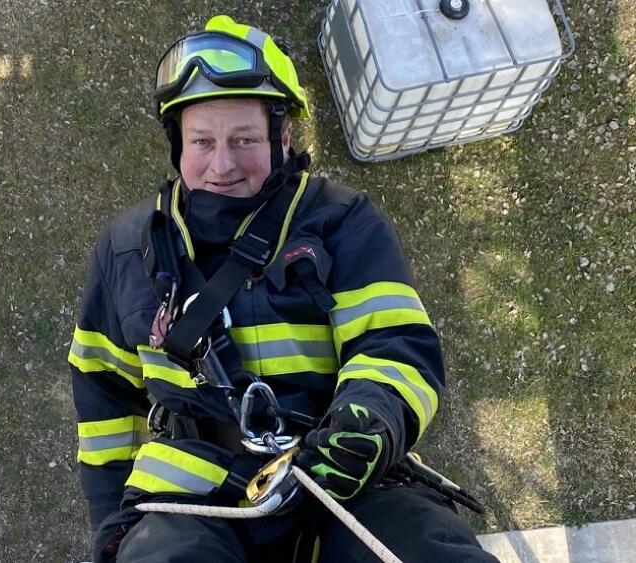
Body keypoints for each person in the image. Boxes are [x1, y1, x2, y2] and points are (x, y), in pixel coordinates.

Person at [68, 14, 498, 563]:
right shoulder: (127, 248)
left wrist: (369, 422)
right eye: (202, 141)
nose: (221, 164)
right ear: (177, 144)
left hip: (341, 476)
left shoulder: (341, 221)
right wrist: (110, 523)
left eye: (243, 140)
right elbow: (103, 392)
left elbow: (394, 343)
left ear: (283, 137)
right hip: (190, 497)